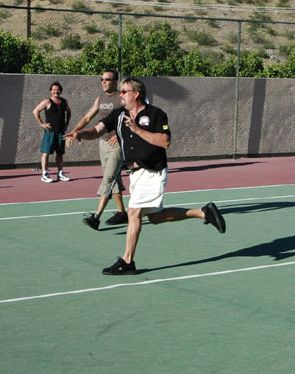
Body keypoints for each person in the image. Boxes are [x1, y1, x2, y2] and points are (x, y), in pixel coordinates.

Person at [65, 78, 226, 275]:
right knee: (156, 217)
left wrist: (136, 129)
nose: (120, 94)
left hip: (152, 171)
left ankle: (127, 261)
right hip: (135, 174)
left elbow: (165, 141)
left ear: (136, 93)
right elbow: (97, 130)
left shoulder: (156, 114)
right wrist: (80, 133)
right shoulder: (118, 115)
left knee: (133, 212)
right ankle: (204, 212)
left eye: (124, 91)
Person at [68, 69, 128, 229]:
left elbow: (134, 116)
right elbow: (88, 117)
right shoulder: (100, 99)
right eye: (102, 79)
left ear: (115, 81)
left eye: (107, 79)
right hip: (103, 143)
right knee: (114, 179)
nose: (103, 82)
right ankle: (122, 213)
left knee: (108, 179)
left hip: (117, 145)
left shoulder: (122, 98)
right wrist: (75, 132)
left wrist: (121, 135)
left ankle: (96, 217)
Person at [33, 81, 71, 183]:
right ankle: (44, 174)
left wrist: (67, 124)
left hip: (61, 132)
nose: (56, 91)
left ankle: (60, 173)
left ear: (61, 91)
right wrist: (42, 123)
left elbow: (69, 111)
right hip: (50, 132)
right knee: (46, 153)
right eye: (54, 90)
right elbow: (35, 111)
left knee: (60, 154)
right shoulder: (47, 101)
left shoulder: (64, 102)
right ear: (51, 91)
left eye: (58, 89)